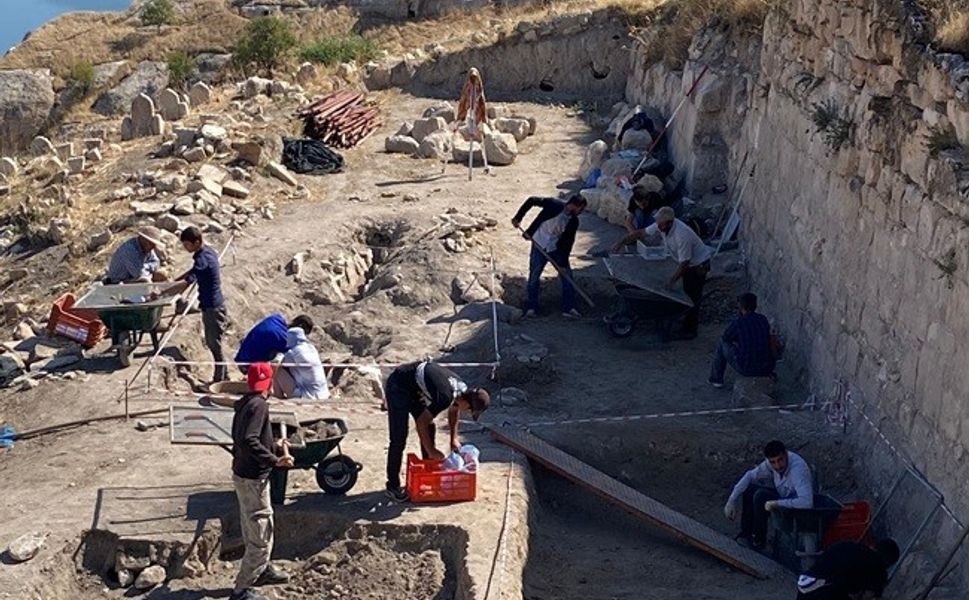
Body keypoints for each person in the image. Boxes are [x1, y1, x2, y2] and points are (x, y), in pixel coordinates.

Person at [384, 361, 491, 502]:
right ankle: (393, 486)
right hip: (399, 385)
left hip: (414, 388)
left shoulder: (461, 390)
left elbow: (454, 410)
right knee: (399, 438)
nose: (467, 413)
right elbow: (421, 423)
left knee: (430, 428)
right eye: (470, 410)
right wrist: (432, 449)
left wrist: (454, 438)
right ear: (467, 403)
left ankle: (428, 474)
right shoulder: (446, 395)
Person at [230, 362, 293, 600]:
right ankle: (241, 590)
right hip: (254, 479)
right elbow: (249, 440)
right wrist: (275, 459)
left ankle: (262, 569)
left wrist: (273, 444)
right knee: (260, 537)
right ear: (269, 382)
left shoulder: (246, 403)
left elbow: (247, 437)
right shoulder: (259, 406)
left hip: (243, 474)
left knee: (252, 526)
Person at [612, 206, 712, 336]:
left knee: (692, 296)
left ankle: (690, 330)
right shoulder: (661, 224)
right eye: (658, 224)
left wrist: (671, 281)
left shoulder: (682, 235)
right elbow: (641, 233)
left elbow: (684, 263)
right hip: (688, 263)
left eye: (661, 225)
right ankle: (684, 318)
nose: (658, 227)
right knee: (686, 292)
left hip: (698, 265)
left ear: (670, 222)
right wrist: (622, 241)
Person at [153, 226, 228, 383]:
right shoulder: (208, 253)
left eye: (187, 244)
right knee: (214, 342)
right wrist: (172, 283)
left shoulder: (202, 260)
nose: (185, 248)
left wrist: (164, 292)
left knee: (214, 344)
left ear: (196, 242)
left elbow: (187, 283)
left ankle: (220, 380)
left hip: (212, 307)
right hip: (214, 304)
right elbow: (191, 273)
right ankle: (223, 375)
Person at [723, 440, 813, 550]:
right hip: (783, 496)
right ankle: (746, 534)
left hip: (796, 507)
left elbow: (806, 502)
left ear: (786, 454)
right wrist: (732, 500)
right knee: (749, 489)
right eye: (773, 462)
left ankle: (758, 541)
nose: (778, 466)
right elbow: (750, 476)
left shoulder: (798, 470)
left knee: (761, 496)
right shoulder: (770, 465)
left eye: (780, 460)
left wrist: (776, 503)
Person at [511, 195, 588, 318]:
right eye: (581, 209)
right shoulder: (553, 204)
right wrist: (518, 217)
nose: (581, 212)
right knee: (534, 277)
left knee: (567, 277)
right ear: (574, 205)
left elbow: (568, 243)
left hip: (555, 248)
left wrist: (562, 263)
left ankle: (568, 308)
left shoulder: (573, 221)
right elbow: (532, 200)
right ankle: (532, 308)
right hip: (538, 244)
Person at [709, 293, 776, 387]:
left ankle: (716, 379)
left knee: (722, 343)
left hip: (747, 368)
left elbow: (726, 338)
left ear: (740, 307)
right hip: (767, 368)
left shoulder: (738, 322)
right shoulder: (762, 319)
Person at [796, 539, 900, 599]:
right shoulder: (878, 570)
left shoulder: (849, 545)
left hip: (805, 586)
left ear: (873, 546)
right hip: (825, 592)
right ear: (888, 563)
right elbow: (869, 595)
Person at [273, 317, 329, 400]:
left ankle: (278, 395)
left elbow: (276, 364)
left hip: (308, 395)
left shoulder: (293, 352)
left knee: (278, 369)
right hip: (323, 393)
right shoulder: (311, 348)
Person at [235, 314, 309, 372]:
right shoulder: (283, 339)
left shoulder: (276, 318)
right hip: (248, 365)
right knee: (284, 358)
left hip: (241, 357)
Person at [103, 227, 169, 284]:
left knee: (162, 274)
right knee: (145, 281)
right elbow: (138, 273)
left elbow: (156, 262)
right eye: (150, 243)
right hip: (118, 283)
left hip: (133, 277)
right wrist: (149, 270)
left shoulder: (147, 248)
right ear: (143, 239)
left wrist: (145, 267)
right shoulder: (129, 249)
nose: (153, 247)